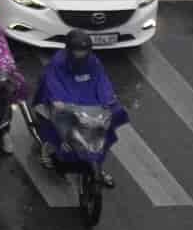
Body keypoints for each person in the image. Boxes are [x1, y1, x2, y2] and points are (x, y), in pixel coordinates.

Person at [31, 31, 128, 186]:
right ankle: (47, 149)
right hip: (65, 102)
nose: (80, 54)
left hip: (89, 102)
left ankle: (97, 166)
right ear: (69, 49)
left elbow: (102, 81)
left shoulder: (93, 62)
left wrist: (108, 99)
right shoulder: (58, 63)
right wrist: (57, 100)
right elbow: (52, 82)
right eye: (77, 50)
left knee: (104, 130)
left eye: (84, 51)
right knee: (55, 125)